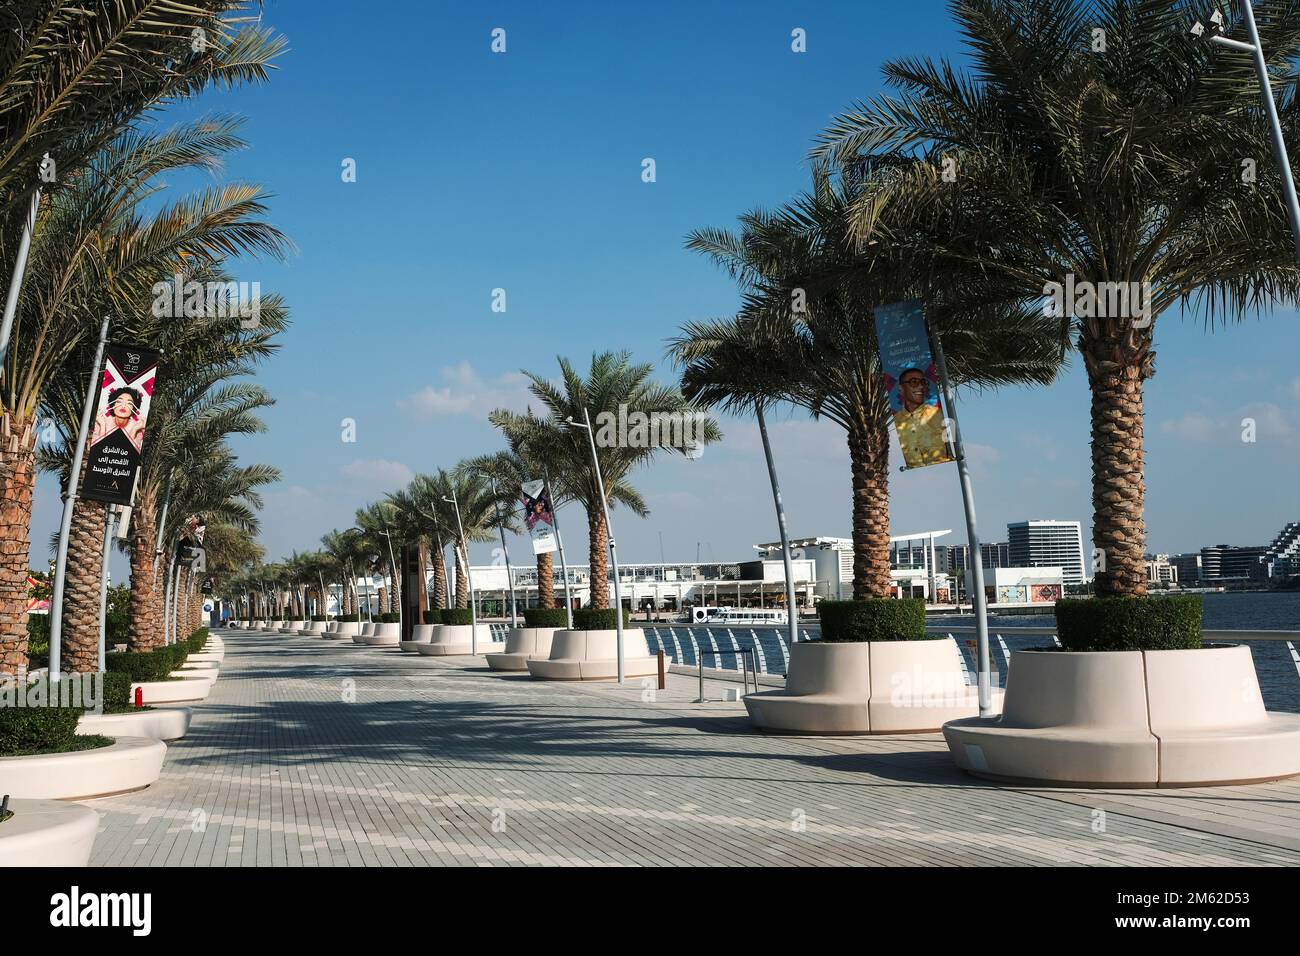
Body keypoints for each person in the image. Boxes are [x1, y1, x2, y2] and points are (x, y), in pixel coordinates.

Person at [892, 367, 951, 466]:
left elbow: (953, 444)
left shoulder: (938, 415)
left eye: (923, 382)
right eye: (914, 382)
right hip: (912, 478)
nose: (920, 387)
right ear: (901, 388)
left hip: (944, 472)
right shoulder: (894, 423)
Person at [90, 385, 146, 452]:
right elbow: (97, 449)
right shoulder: (101, 420)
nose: (123, 405)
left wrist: (134, 429)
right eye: (119, 402)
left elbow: (130, 453)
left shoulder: (137, 426)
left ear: (134, 408)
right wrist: (102, 425)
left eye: (129, 403)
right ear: (113, 405)